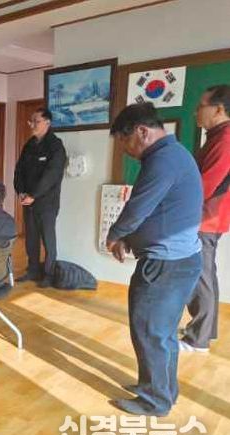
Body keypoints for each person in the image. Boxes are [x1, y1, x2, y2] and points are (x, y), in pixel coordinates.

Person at [106, 102, 202, 416]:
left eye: (125, 141)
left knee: (150, 332)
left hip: (165, 266)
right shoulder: (173, 155)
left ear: (142, 132)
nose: (125, 151)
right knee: (162, 333)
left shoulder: (162, 161)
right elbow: (154, 210)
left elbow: (138, 208)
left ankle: (155, 400)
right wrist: (128, 237)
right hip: (179, 261)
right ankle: (162, 390)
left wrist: (114, 235)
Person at [181, 85, 230, 352]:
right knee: (205, 274)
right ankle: (203, 331)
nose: (196, 112)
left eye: (201, 106)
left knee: (200, 275)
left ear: (219, 109)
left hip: (206, 219)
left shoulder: (225, 140)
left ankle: (198, 340)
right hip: (207, 217)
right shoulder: (217, 136)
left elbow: (205, 185)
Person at [13, 108, 66, 288]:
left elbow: (52, 175)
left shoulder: (55, 146)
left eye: (36, 121)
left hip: (46, 203)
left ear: (47, 123)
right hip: (28, 201)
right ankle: (33, 270)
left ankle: (49, 274)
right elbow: (19, 170)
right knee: (31, 238)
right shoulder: (29, 144)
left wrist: (34, 195)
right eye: (31, 121)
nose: (32, 125)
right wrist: (20, 190)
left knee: (48, 239)